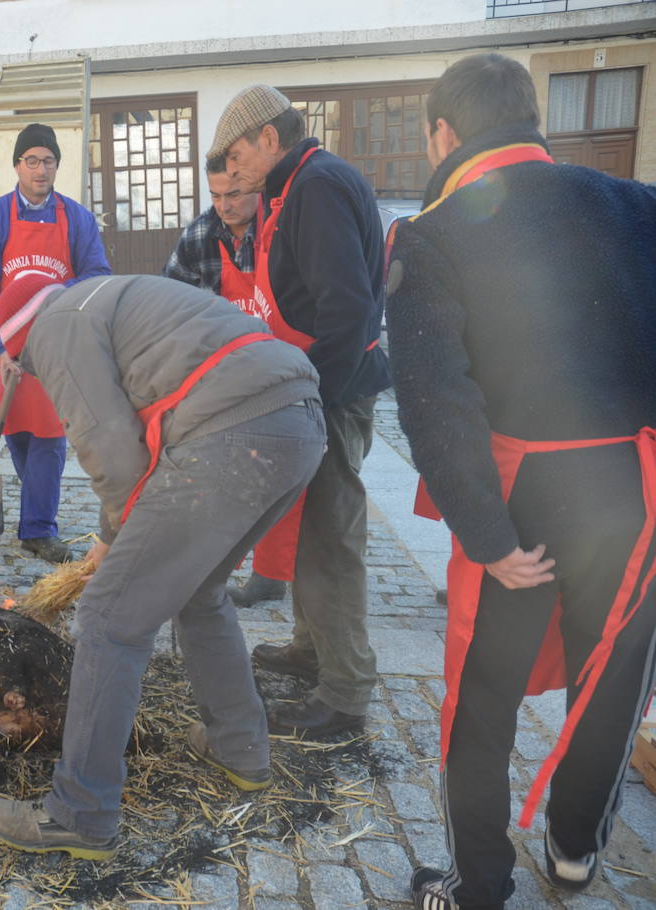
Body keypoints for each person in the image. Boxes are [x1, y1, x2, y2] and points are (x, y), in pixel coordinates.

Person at [385, 53, 656, 910]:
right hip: (638, 488)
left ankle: (477, 887)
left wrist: (486, 534)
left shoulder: (433, 232)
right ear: (529, 117)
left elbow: (437, 401)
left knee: (483, 698)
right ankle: (577, 853)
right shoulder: (641, 206)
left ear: (443, 132)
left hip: (524, 492)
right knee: (612, 681)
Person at [0, 270, 325, 859]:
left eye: (25, 364)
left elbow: (114, 451)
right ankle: (239, 748)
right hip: (298, 420)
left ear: (20, 338)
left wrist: (114, 541)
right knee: (201, 590)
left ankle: (81, 814)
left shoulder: (56, 326)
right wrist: (118, 532)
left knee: (110, 618)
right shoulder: (106, 296)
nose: (33, 373)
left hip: (228, 435)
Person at [209, 85, 392, 733]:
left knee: (331, 540)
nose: (232, 171)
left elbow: (346, 311)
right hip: (314, 386)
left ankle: (345, 691)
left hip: (333, 392)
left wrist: (315, 399)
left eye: (236, 155)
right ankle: (311, 648)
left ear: (268, 136)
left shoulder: (316, 187)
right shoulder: (291, 189)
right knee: (314, 528)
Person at [0, 123, 111, 563]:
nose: (40, 169)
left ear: (56, 166)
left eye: (48, 161)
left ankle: (38, 528)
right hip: (8, 349)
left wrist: (55, 293)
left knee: (50, 436)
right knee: (19, 435)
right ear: (16, 165)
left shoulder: (77, 219)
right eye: (31, 160)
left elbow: (98, 274)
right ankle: (36, 512)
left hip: (55, 348)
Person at [165, 155, 290, 607]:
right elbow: (172, 304)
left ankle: (275, 571)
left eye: (234, 195)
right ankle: (219, 569)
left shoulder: (281, 233)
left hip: (282, 366)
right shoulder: (200, 235)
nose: (224, 206)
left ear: (256, 188)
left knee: (283, 478)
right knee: (231, 476)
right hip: (226, 377)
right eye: (216, 195)